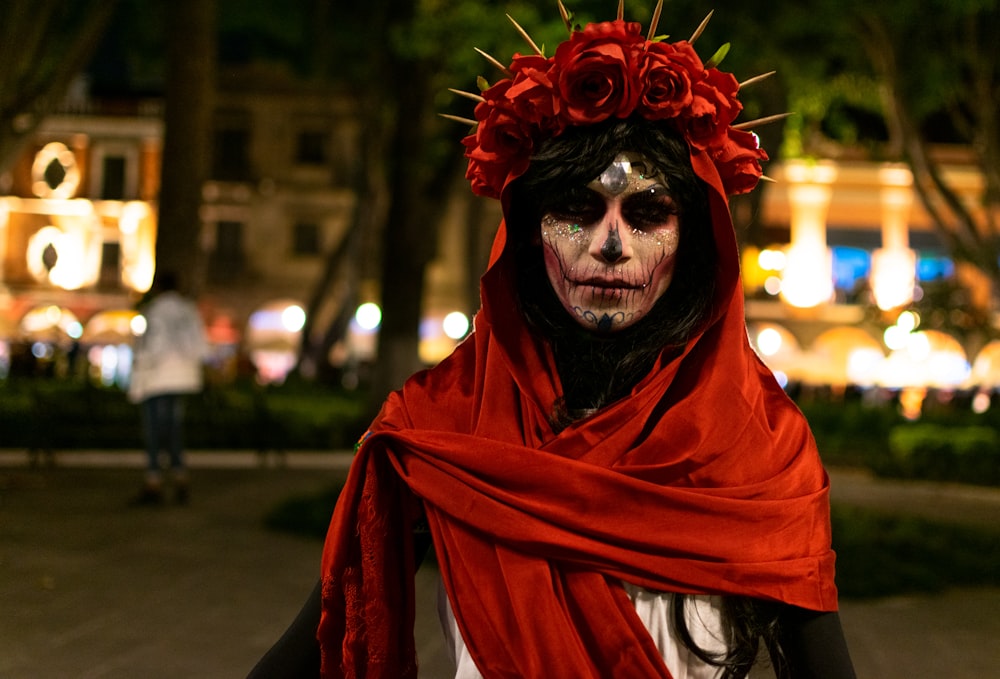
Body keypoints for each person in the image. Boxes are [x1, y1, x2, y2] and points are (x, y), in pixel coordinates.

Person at [251, 5, 856, 678]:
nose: (611, 243)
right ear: (530, 229)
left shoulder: (765, 446)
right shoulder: (443, 424)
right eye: (577, 208)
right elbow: (310, 648)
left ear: (693, 238)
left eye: (648, 211)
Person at [128, 271, 209, 505]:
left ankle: (154, 479)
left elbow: (152, 346)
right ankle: (180, 475)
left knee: (155, 429)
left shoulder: (155, 311)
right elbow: (200, 346)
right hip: (182, 378)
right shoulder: (188, 311)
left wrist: (138, 377)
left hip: (156, 380)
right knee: (173, 428)